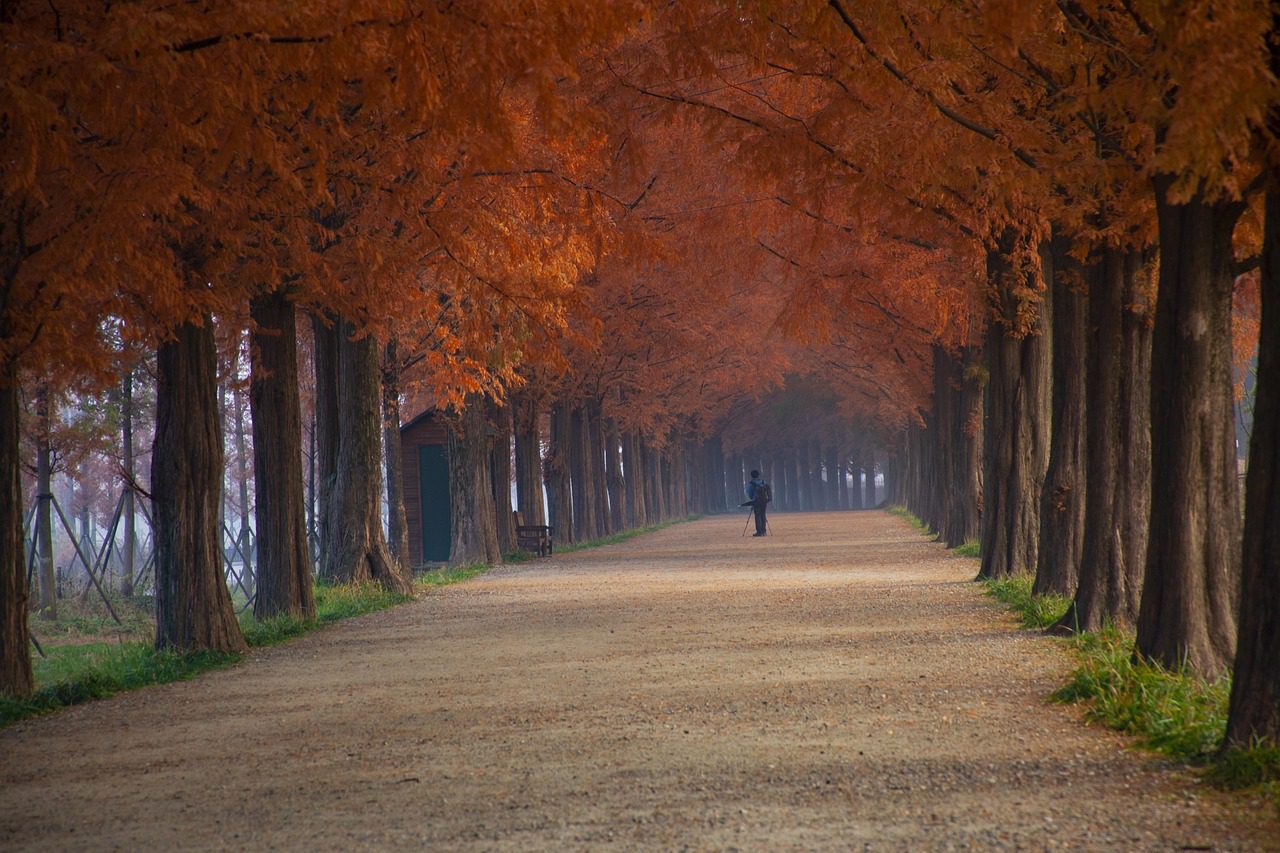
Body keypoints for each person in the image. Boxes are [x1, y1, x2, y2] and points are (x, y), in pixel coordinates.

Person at [745, 469, 769, 536]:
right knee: (763, 515)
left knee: (757, 515)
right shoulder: (763, 482)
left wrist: (753, 499)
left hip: (756, 501)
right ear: (758, 475)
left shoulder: (752, 483)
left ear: (751, 476)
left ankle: (759, 532)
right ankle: (764, 531)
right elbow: (768, 490)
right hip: (764, 501)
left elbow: (750, 493)